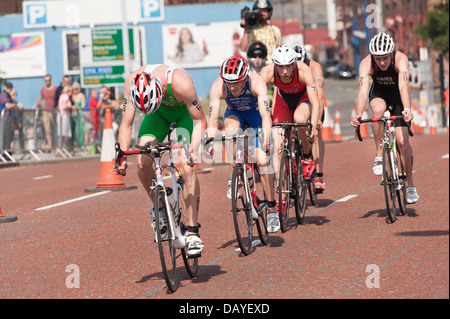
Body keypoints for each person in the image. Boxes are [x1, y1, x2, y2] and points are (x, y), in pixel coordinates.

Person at [115, 64, 207, 257]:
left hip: (184, 115)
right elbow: (126, 124)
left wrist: (192, 148)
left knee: (187, 168)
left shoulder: (181, 83)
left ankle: (192, 231)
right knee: (143, 164)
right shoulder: (133, 83)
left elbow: (200, 120)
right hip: (157, 115)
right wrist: (121, 156)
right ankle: (160, 210)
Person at [206, 54, 278, 232]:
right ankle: (234, 177)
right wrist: (208, 141)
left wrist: (266, 139)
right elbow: (213, 118)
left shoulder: (257, 82)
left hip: (256, 117)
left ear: (245, 77)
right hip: (235, 114)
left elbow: (266, 115)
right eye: (228, 83)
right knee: (230, 132)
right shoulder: (218, 86)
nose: (232, 87)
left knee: (262, 161)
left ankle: (271, 209)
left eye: (236, 82)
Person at [350, 32, 419, 204]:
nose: (381, 62)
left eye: (385, 58)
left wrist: (407, 109)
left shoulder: (401, 60)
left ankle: (410, 186)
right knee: (378, 111)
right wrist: (359, 114)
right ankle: (379, 154)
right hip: (379, 94)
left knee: (403, 142)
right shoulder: (366, 63)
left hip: (398, 97)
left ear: (392, 54)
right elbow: (363, 90)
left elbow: (404, 87)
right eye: (378, 58)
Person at [261, 46, 321, 214]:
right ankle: (280, 197)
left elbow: (316, 103)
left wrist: (314, 126)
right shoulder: (267, 73)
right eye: (280, 66)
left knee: (300, 120)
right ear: (275, 65)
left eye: (288, 66)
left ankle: (307, 157)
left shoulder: (304, 70)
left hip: (303, 100)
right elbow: (260, 101)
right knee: (277, 146)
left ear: (294, 63)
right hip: (283, 102)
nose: (285, 71)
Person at [294, 46, 326, 194]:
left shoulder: (315, 67)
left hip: (313, 102)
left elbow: (319, 95)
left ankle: (319, 176)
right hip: (295, 102)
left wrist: (317, 119)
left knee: (316, 134)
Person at [36, 74, 57, 151]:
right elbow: (41, 99)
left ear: (51, 80)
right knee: (47, 129)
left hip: (53, 111)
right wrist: (38, 104)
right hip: (45, 111)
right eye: (45, 80)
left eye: (48, 80)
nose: (47, 81)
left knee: (55, 129)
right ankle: (50, 146)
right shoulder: (43, 89)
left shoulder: (55, 89)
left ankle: (56, 146)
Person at [0, 82, 18, 153]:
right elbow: (7, 105)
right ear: (5, 87)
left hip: (9, 120)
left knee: (9, 137)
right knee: (4, 137)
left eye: (10, 87)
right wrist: (16, 105)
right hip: (4, 120)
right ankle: (3, 153)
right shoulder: (3, 95)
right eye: (8, 87)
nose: (9, 89)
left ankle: (7, 153)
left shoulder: (8, 96)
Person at [71, 82, 88, 150]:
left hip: (80, 115)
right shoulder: (71, 96)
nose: (75, 90)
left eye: (77, 88)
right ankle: (75, 144)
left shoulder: (81, 95)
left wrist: (83, 116)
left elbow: (83, 107)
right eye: (74, 88)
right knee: (75, 131)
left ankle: (81, 145)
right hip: (73, 116)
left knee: (81, 130)